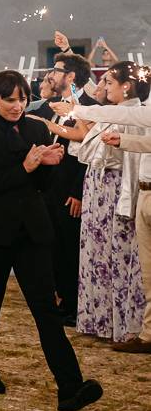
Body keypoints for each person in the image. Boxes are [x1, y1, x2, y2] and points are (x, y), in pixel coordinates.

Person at [0, 69, 102, 411]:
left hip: (32, 230)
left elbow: (41, 186)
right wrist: (25, 168)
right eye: (9, 99)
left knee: (46, 309)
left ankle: (70, 386)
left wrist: (48, 166)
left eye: (22, 99)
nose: (17, 105)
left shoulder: (36, 128)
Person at [46, 62, 147, 343]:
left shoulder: (133, 113)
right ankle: (100, 319)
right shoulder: (112, 112)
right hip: (98, 188)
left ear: (126, 86)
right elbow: (88, 141)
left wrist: (76, 109)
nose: (104, 87)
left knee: (118, 256)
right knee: (98, 254)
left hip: (116, 190)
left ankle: (122, 324)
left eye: (109, 83)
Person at [28, 52, 97, 327]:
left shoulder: (88, 105)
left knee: (70, 248)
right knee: (54, 245)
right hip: (52, 185)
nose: (51, 75)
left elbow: (88, 154)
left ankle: (73, 305)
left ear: (71, 76)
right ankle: (61, 298)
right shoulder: (55, 105)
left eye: (56, 70)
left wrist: (78, 191)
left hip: (71, 187)